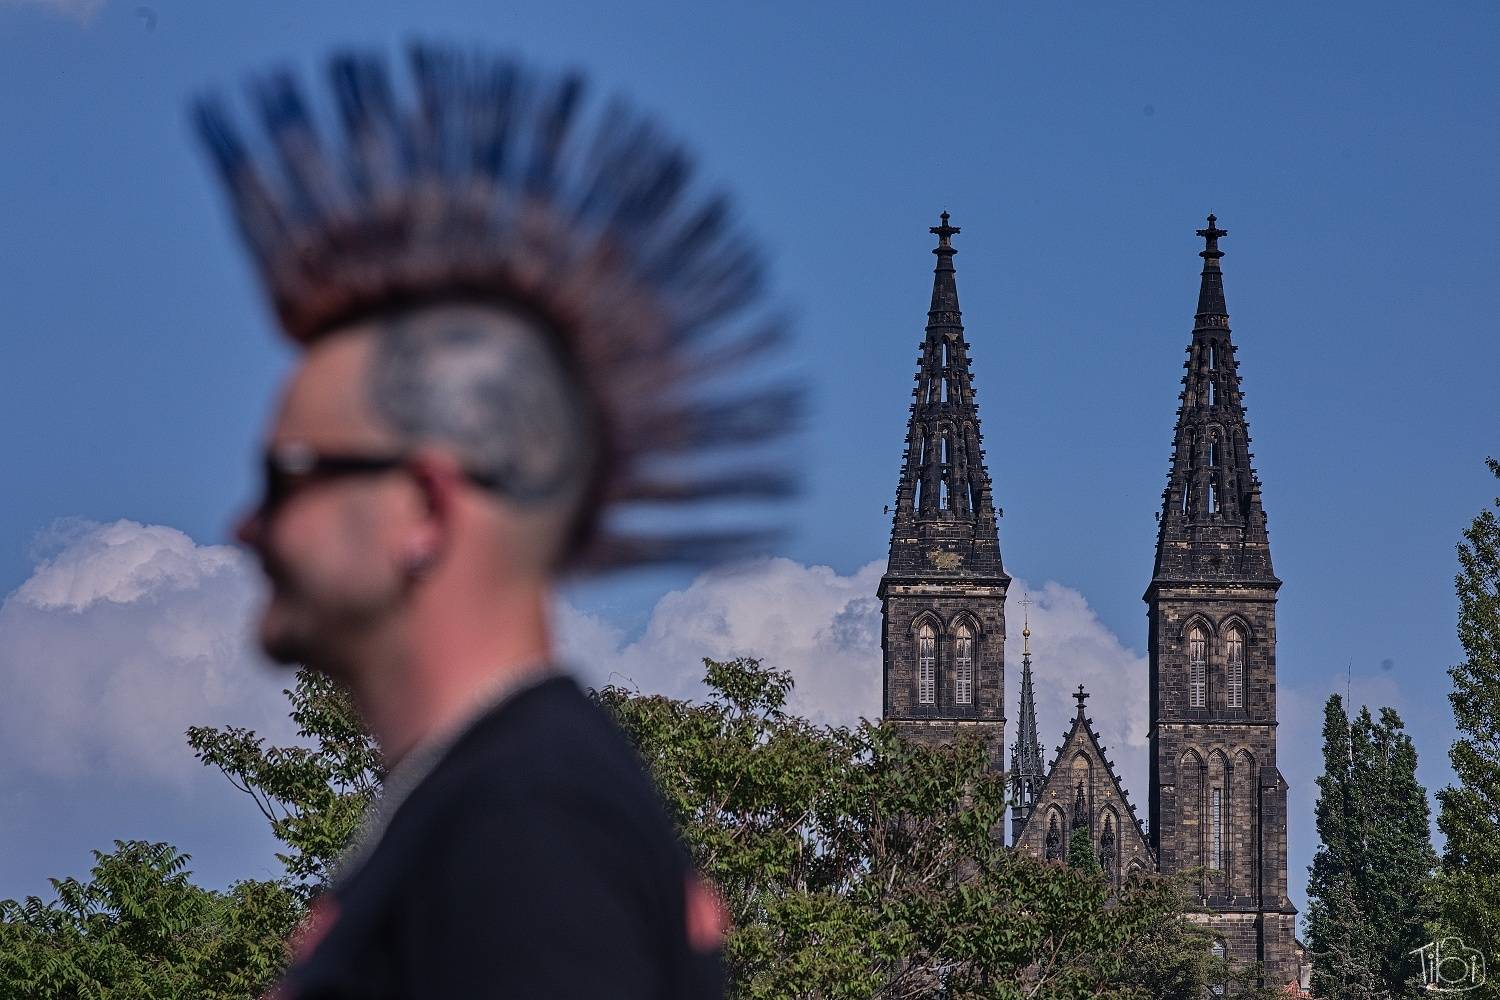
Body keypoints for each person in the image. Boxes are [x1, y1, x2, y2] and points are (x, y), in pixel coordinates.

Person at [195, 44, 797, 999]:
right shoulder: (489, 801)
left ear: (425, 508)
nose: (244, 525)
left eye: (287, 477)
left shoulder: (524, 823)